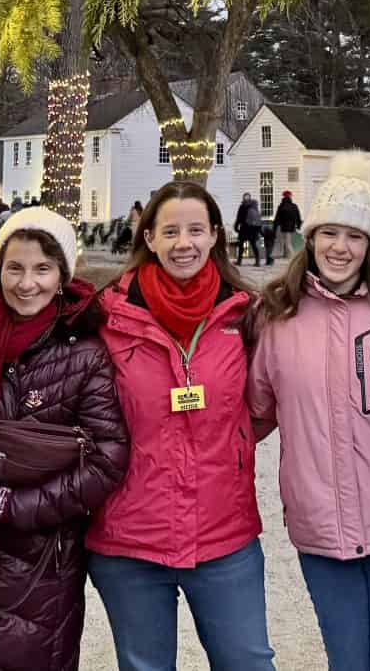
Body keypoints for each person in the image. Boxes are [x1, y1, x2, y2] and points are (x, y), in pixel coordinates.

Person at [0, 207, 129, 671]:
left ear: (62, 276)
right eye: (14, 268)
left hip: (37, 559)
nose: (26, 283)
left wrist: (18, 507)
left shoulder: (84, 354)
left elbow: (106, 459)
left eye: (42, 269)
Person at [248, 153, 370, 671]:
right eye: (329, 233)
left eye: (353, 236)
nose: (339, 248)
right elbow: (254, 411)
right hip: (321, 523)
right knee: (347, 660)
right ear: (310, 237)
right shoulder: (276, 316)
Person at [88, 181, 275, 671]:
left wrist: (229, 442)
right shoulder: (108, 313)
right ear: (148, 238)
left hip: (224, 530)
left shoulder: (246, 311)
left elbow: (264, 403)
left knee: (247, 661)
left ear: (216, 235)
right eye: (169, 231)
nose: (183, 243)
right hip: (130, 535)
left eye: (195, 230)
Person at [234, 191, 263, 266]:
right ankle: (257, 261)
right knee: (254, 245)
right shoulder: (254, 206)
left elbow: (239, 218)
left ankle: (239, 261)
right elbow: (258, 218)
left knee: (241, 245)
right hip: (253, 229)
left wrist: (236, 227)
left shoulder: (242, 206)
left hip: (244, 227)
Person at [273, 191, 303, 259]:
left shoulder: (281, 206)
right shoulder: (294, 206)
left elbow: (277, 218)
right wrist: (299, 226)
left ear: (283, 197)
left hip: (282, 227)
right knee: (288, 242)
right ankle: (287, 256)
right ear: (290, 197)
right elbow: (298, 216)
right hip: (291, 227)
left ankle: (292, 257)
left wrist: (274, 228)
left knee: (283, 242)